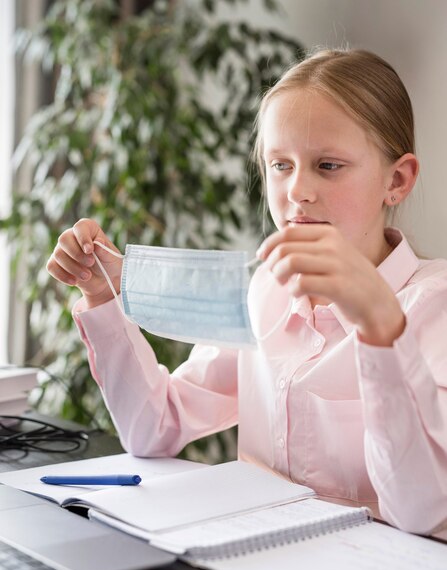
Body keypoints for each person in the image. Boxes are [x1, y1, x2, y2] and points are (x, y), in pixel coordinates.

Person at [47, 48, 447, 535]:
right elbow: (155, 428)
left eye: (328, 165)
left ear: (397, 180)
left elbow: (421, 514)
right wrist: (101, 295)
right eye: (281, 165)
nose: (298, 190)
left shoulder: (432, 305)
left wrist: (380, 329)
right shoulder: (267, 291)